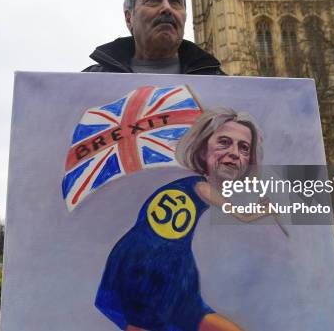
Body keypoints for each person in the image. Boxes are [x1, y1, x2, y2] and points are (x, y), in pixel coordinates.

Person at [95, 108, 272, 331]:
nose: (235, 153)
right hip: (145, 274)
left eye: (243, 147)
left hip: (175, 277)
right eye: (224, 142)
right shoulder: (201, 186)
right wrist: (261, 210)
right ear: (201, 151)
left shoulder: (196, 187)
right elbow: (241, 214)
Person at [84, 0, 225, 75]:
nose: (167, 8)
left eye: (175, 1)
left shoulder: (220, 81)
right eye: (153, 0)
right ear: (129, 18)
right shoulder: (90, 80)